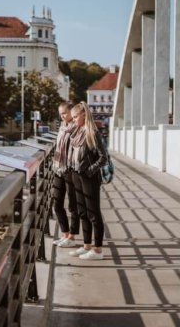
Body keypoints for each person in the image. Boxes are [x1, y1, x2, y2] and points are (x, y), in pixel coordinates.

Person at [67, 101, 108, 260]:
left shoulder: (93, 133)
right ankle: (86, 246)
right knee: (82, 212)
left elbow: (103, 157)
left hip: (89, 178)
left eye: (75, 117)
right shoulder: (77, 131)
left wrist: (90, 171)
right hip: (76, 175)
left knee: (93, 213)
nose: (73, 119)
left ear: (84, 115)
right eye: (73, 117)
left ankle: (97, 250)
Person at [51, 102, 79, 248]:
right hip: (58, 169)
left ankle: (72, 237)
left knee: (73, 205)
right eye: (60, 113)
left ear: (71, 112)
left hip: (70, 170)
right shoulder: (62, 127)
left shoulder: (77, 128)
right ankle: (65, 234)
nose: (62, 116)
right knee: (56, 203)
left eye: (64, 113)